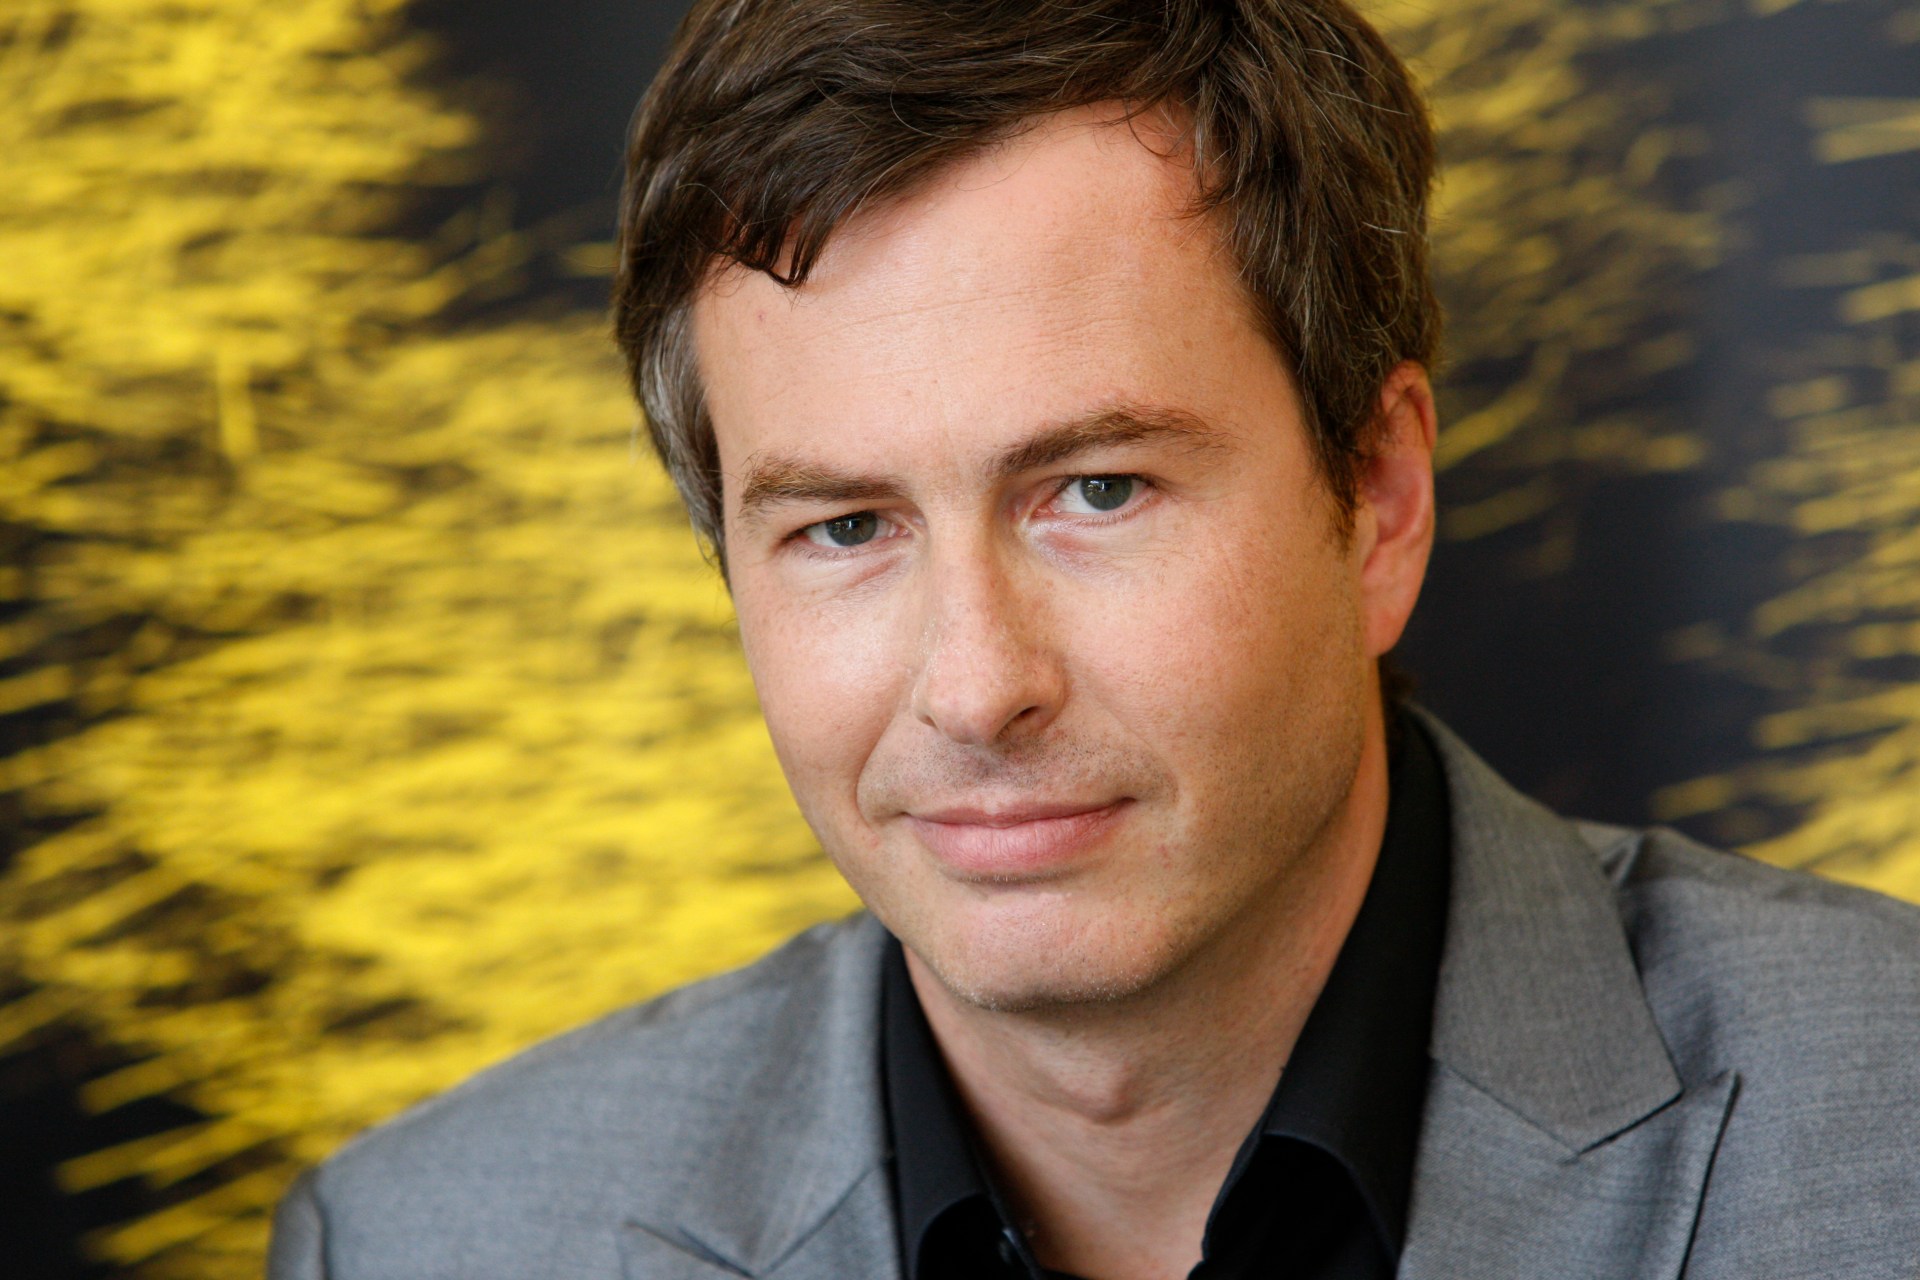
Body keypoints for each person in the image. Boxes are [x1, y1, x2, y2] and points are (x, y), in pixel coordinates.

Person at [267, 1, 1920, 1277]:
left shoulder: (1886, 1133)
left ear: (1379, 499)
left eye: (1098, 491)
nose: (978, 686)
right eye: (845, 527)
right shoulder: (424, 1244)